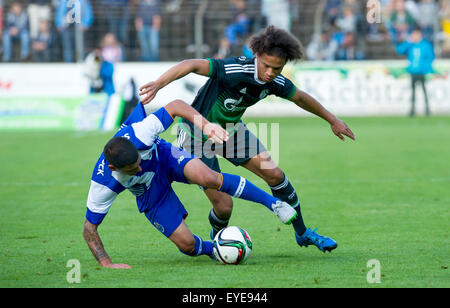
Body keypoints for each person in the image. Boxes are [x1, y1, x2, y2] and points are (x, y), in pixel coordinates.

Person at [139, 26, 355, 253]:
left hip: (231, 131)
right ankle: (218, 240)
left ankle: (303, 233)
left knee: (274, 173)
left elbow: (300, 97)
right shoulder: (233, 69)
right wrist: (158, 84)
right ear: (257, 56)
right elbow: (191, 65)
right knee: (224, 207)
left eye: (277, 68)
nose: (271, 72)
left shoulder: (275, 82)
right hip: (196, 135)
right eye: (267, 66)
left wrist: (332, 119)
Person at [84, 99, 298, 268]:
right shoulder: (104, 182)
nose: (139, 168)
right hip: (151, 192)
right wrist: (107, 264)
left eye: (139, 162)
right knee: (187, 245)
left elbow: (176, 106)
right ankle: (216, 249)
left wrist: (206, 126)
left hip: (166, 158)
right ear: (114, 168)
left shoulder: (141, 132)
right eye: (133, 170)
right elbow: (89, 228)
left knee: (209, 178)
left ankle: (274, 204)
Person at [396, 28, 434, 116]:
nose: (414, 36)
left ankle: (427, 109)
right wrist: (408, 42)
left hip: (422, 72)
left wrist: (426, 69)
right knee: (413, 91)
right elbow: (399, 50)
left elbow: (430, 57)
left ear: (420, 35)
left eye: (416, 34)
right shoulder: (410, 45)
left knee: (424, 90)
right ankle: (412, 110)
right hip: (412, 71)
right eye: (413, 34)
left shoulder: (425, 45)